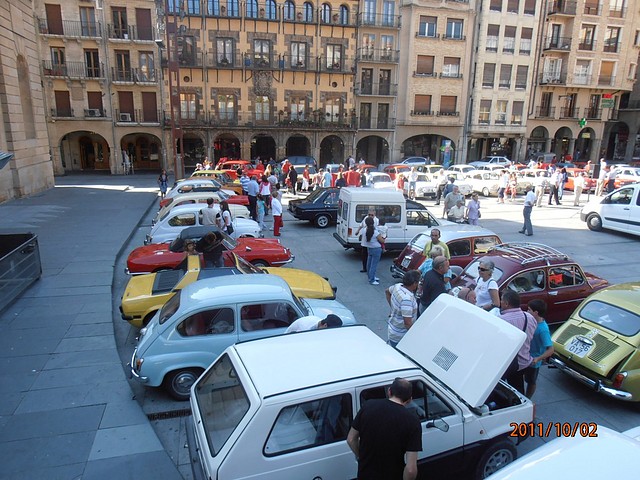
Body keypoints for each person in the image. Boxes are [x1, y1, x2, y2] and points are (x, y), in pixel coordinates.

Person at [347, 378, 421, 480]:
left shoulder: (368, 406)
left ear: (389, 391)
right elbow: (410, 470)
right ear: (409, 400)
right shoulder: (413, 422)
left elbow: (351, 439)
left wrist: (362, 457)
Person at [499, 290, 537, 395]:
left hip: (506, 364)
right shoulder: (529, 317)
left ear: (507, 303)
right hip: (524, 362)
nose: (500, 302)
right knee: (518, 389)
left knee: (499, 389)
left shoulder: (500, 320)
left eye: (502, 300)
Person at [523, 299, 554, 398]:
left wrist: (538, 359)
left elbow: (551, 349)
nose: (527, 312)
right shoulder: (530, 321)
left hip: (533, 361)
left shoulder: (543, 329)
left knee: (531, 381)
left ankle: (528, 398)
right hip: (524, 356)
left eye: (529, 310)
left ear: (536, 313)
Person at [385, 270, 421, 347]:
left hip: (392, 329)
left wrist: (393, 309)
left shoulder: (397, 286)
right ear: (414, 283)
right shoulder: (407, 300)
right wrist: (415, 335)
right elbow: (407, 323)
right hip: (400, 336)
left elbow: (387, 291)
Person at [356, 208, 378, 273]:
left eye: (372, 215)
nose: (370, 216)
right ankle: (364, 268)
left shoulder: (376, 220)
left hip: (371, 241)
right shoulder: (366, 218)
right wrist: (357, 231)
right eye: (369, 214)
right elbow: (361, 225)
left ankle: (370, 269)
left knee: (370, 256)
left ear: (374, 214)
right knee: (364, 254)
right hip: (365, 240)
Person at [362, 215, 384, 285]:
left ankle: (371, 277)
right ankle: (372, 279)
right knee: (374, 265)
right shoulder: (375, 232)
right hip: (376, 249)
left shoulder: (364, 230)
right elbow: (382, 241)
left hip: (369, 248)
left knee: (369, 264)